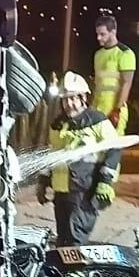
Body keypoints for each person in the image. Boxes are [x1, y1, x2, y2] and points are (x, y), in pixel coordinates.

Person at [40, 71, 122, 246]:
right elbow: (51, 153)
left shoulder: (97, 120)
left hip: (84, 191)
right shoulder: (57, 124)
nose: (68, 104)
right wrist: (43, 181)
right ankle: (64, 264)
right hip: (61, 192)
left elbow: (114, 148)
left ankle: (76, 264)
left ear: (83, 97)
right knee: (63, 240)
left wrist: (105, 182)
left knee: (75, 239)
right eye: (65, 99)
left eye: (73, 98)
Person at [91, 12, 137, 133]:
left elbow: (127, 83)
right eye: (97, 34)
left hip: (114, 110)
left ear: (113, 32)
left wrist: (117, 110)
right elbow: (97, 83)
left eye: (102, 34)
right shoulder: (98, 54)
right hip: (97, 109)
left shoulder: (125, 53)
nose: (98, 38)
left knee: (114, 143)